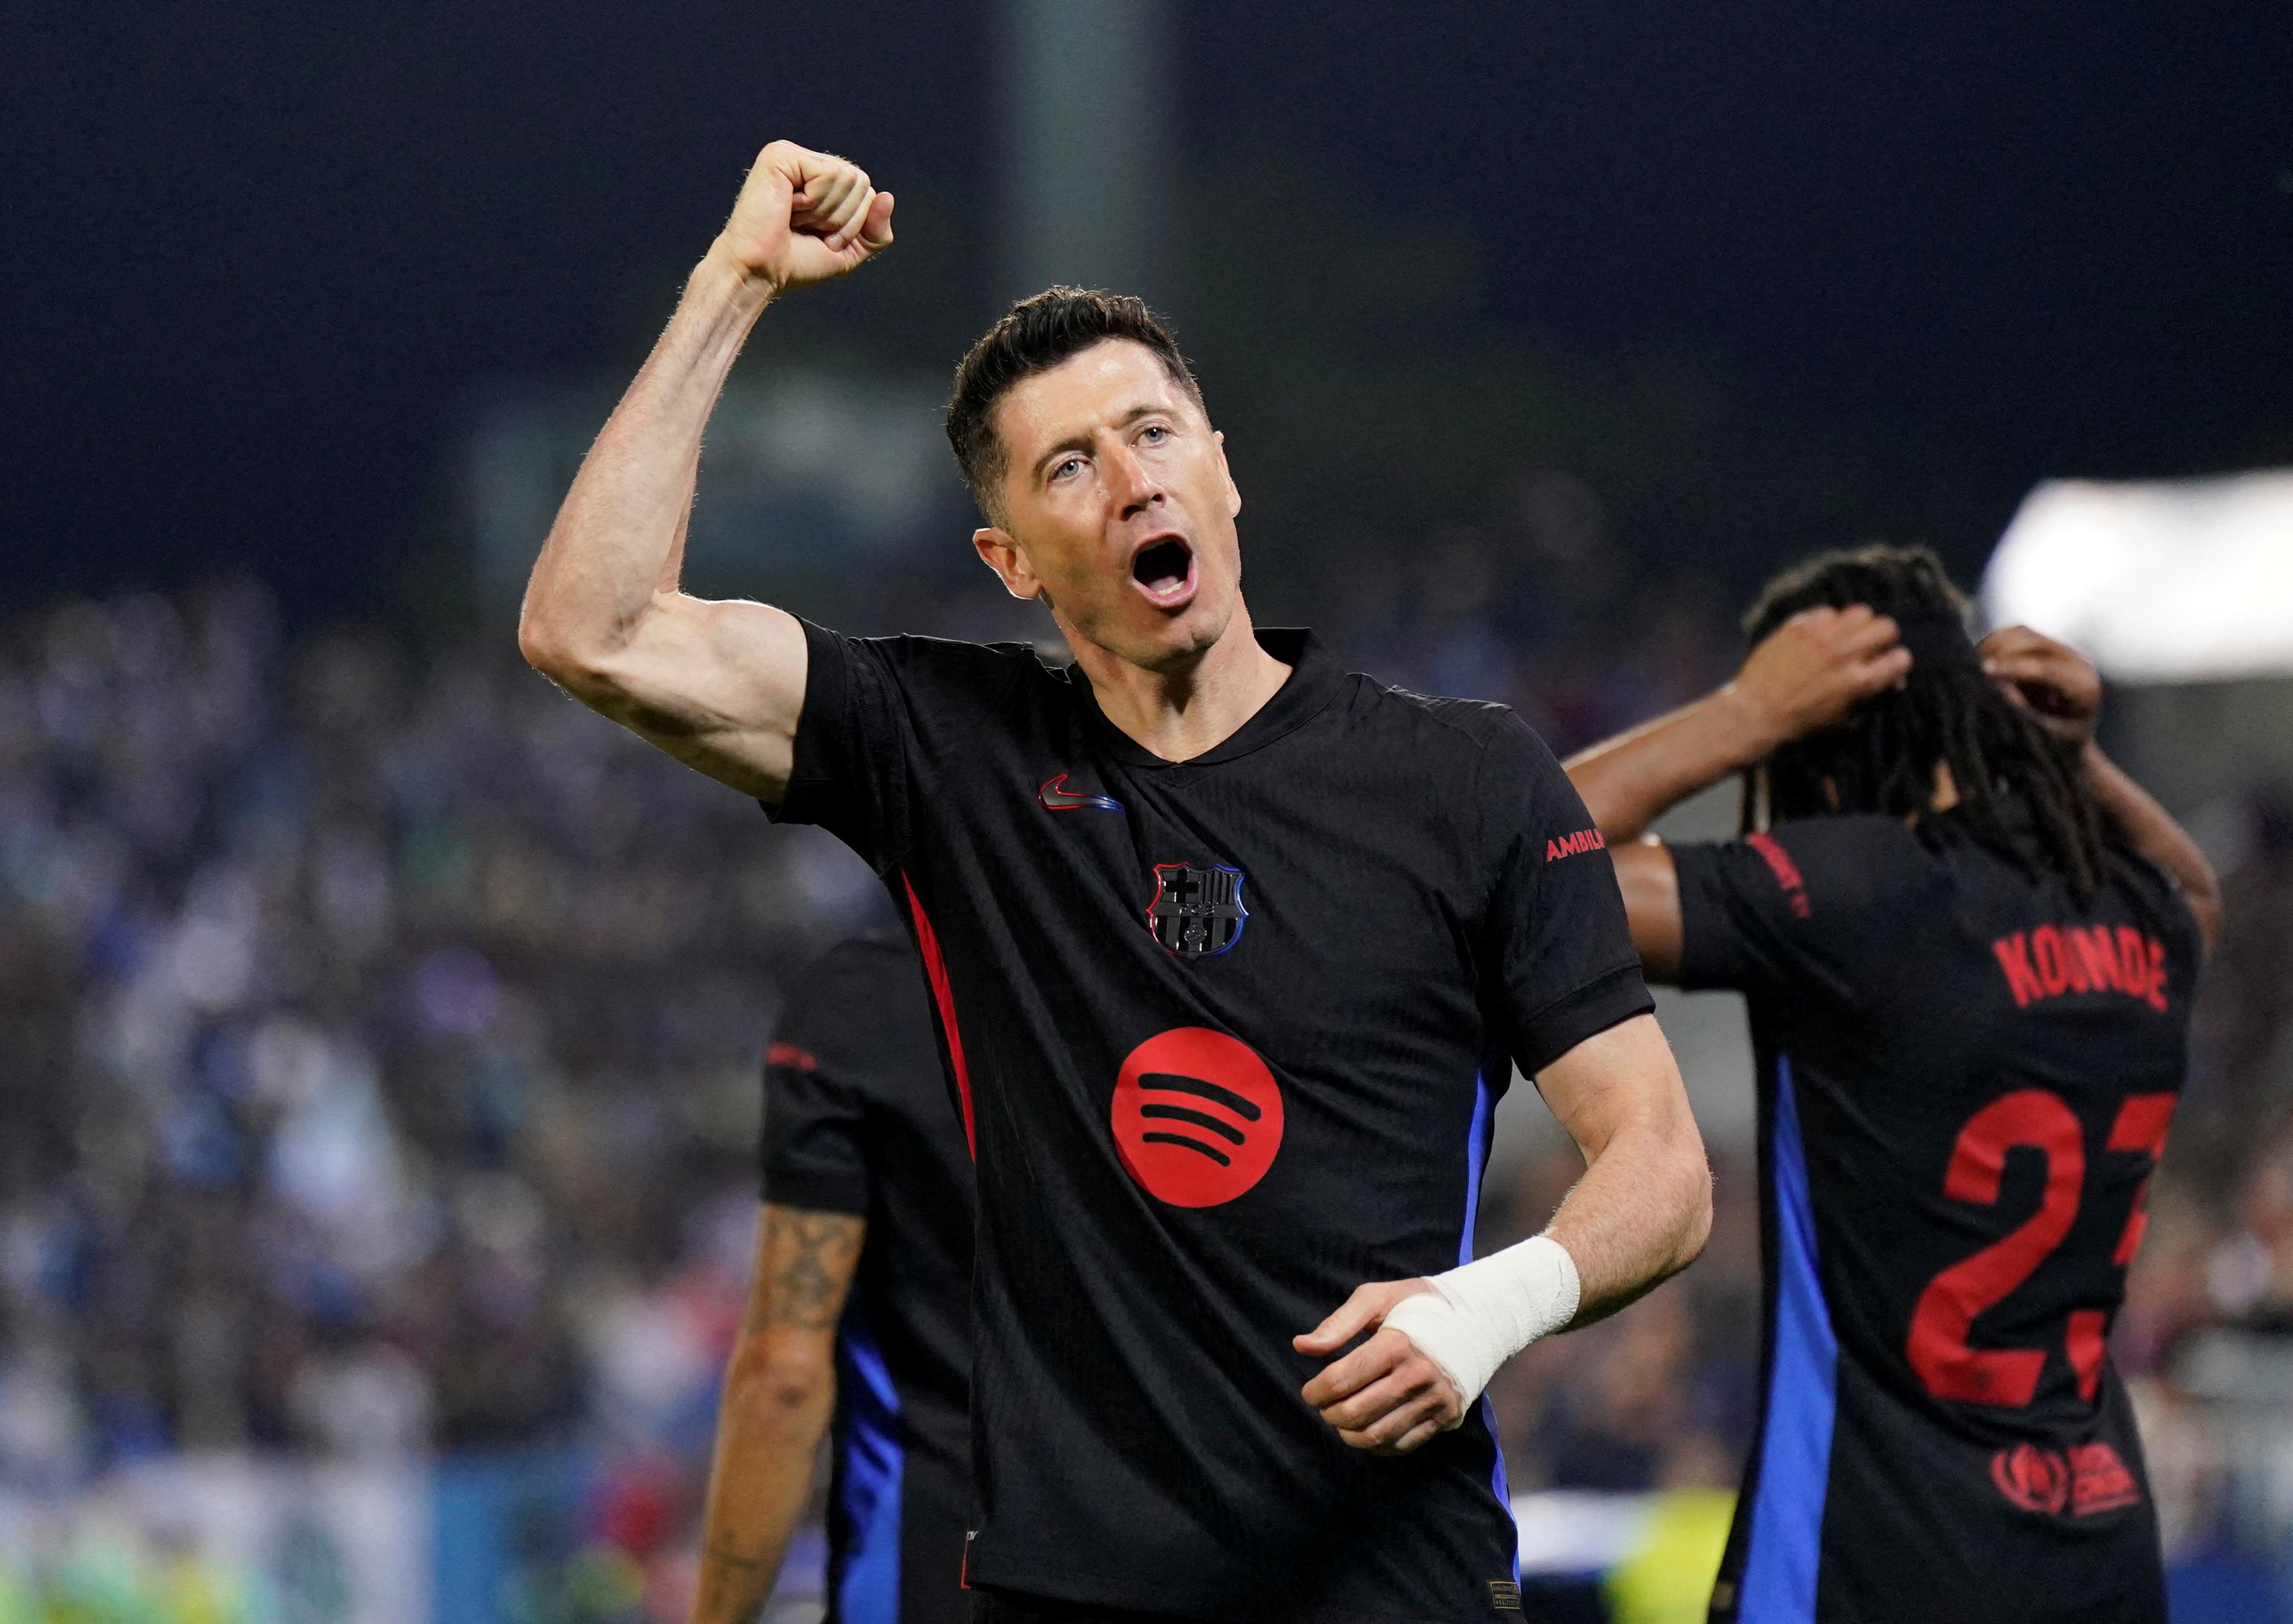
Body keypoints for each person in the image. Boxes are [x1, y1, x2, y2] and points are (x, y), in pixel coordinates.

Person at [520, 139, 1713, 1624]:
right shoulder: (950, 751)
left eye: (1153, 432)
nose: (1131, 477)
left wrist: (1485, 1307)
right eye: (1068, 466)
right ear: (1010, 559)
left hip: (1391, 1586)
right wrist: (735, 280)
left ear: (1222, 469)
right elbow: (590, 628)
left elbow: (1662, 1167)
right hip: (1065, 1593)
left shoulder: (1463, 779)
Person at [1563, 545, 2221, 1623]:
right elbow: (2194, 893)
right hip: (2098, 1546)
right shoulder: (2128, 911)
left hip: (1872, 1554)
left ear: (1817, 733)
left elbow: (1524, 861)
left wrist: (1742, 714)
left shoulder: (1857, 893)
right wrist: (2077, 761)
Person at [693, 931, 974, 1624]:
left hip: (929, 1561)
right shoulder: (1170, 981)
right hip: (1161, 1564)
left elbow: (783, 1379)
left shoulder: (864, 1000)